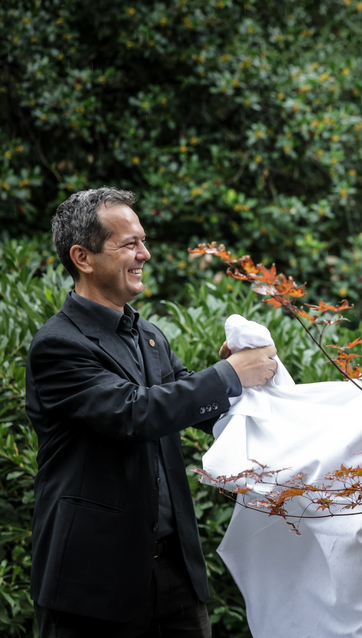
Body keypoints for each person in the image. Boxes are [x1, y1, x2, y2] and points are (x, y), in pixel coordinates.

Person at [26, 187, 278, 637]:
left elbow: (191, 404)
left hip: (176, 577)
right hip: (92, 583)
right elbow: (134, 414)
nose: (144, 254)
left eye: (143, 241)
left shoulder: (150, 336)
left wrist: (247, 380)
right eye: (128, 244)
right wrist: (227, 375)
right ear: (82, 257)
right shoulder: (57, 345)